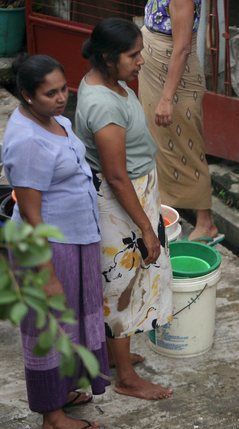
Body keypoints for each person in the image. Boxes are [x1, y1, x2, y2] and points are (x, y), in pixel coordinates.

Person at [3, 54, 108, 429]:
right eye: (50, 93)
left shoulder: (54, 121)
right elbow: (32, 215)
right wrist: (46, 274)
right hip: (48, 246)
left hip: (76, 237)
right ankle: (52, 415)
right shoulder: (27, 141)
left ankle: (62, 391)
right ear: (28, 95)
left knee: (74, 318)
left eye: (64, 88)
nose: (61, 98)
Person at [75, 18, 173, 400]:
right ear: (108, 57)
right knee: (121, 286)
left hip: (135, 192)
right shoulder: (103, 106)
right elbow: (116, 176)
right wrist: (147, 227)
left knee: (129, 281)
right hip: (120, 202)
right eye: (133, 55)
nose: (141, 61)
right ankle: (126, 377)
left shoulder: (108, 84)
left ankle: (119, 356)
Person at [138, 0, 222, 245]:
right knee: (161, 142)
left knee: (187, 146)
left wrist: (167, 98)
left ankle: (206, 223)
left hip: (175, 77)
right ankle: (165, 207)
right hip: (156, 66)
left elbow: (182, 47)